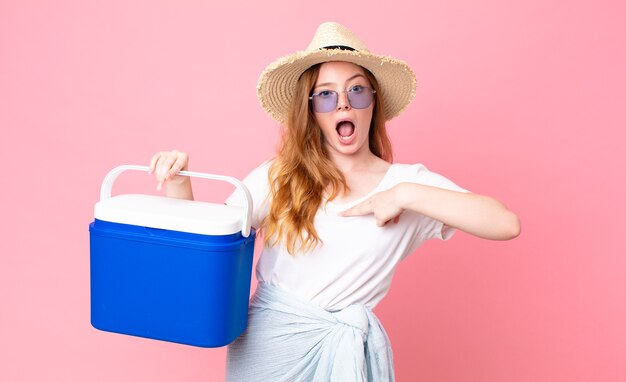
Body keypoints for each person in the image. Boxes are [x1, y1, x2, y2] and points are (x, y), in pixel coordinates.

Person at [149, 22, 520, 382]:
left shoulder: (408, 185)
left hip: (345, 352)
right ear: (311, 112)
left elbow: (505, 223)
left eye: (357, 91)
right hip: (268, 351)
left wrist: (405, 195)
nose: (343, 104)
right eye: (325, 95)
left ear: (373, 103)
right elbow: (207, 247)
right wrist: (177, 182)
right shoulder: (278, 175)